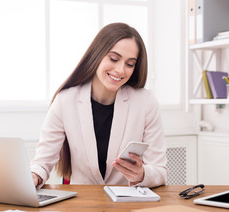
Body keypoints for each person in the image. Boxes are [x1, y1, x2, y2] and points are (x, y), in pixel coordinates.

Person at [30, 22, 167, 189]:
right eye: (114, 59)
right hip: (81, 203)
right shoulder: (65, 100)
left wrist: (142, 174)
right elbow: (42, 162)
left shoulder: (146, 102)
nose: (120, 70)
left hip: (126, 203)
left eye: (129, 64)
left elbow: (160, 171)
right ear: (97, 54)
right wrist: (33, 177)